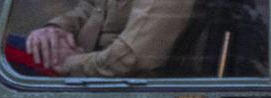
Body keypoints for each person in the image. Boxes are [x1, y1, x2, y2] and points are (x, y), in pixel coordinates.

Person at [24, 0, 196, 77]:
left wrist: (70, 63)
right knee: (16, 49)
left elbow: (130, 58)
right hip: (88, 74)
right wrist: (56, 29)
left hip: (124, 88)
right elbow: (91, 8)